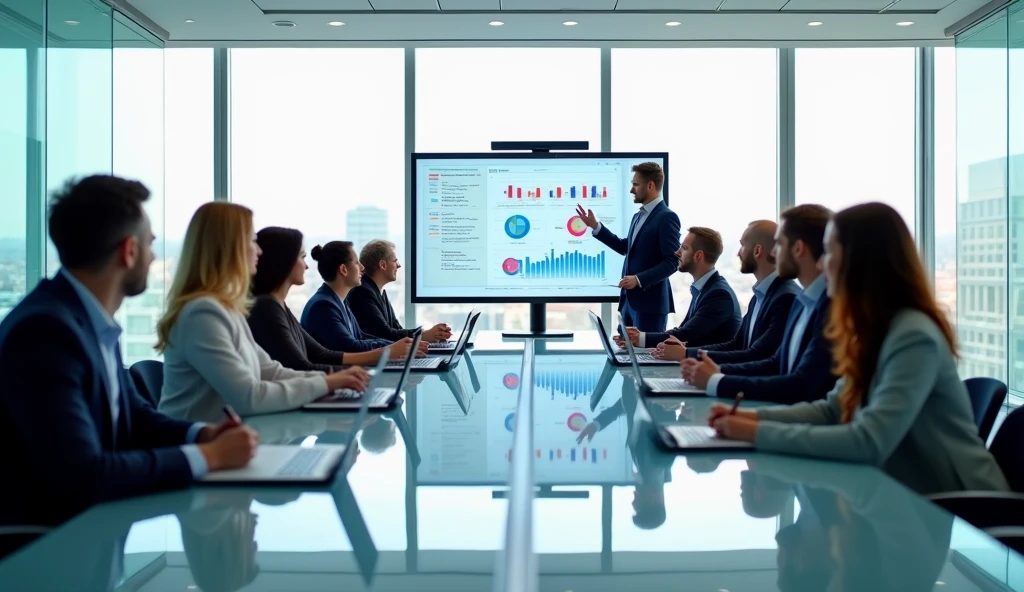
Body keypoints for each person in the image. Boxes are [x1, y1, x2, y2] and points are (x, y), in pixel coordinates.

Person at [0, 176, 258, 549]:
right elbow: (85, 475)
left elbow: (133, 416)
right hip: (46, 548)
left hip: (92, 534)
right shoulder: (45, 332)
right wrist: (208, 456)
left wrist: (200, 434)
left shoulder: (84, 318)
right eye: (151, 243)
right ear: (128, 252)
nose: (155, 257)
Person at [708, 202, 1010, 495]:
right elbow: (832, 409)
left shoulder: (913, 335)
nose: (822, 263)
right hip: (905, 498)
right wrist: (753, 418)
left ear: (858, 260)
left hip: (966, 514)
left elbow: (868, 441)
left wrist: (755, 432)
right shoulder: (873, 329)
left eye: (830, 252)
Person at [157, 203, 370, 424]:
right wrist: (327, 383)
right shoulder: (202, 315)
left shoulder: (227, 309)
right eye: (251, 241)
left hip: (225, 444)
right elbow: (249, 397)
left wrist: (333, 379)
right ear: (228, 248)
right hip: (194, 450)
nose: (258, 250)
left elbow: (270, 371)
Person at [682, 204, 837, 404]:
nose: (774, 253)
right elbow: (776, 362)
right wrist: (717, 372)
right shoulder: (801, 301)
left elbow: (800, 384)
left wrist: (717, 380)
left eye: (779, 244)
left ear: (798, 249)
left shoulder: (801, 301)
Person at [248, 227, 393, 370]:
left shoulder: (280, 307)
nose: (306, 266)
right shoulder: (320, 306)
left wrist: (392, 349)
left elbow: (321, 354)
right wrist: (388, 351)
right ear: (284, 261)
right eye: (302, 257)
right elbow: (302, 367)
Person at [653, 220, 799, 363]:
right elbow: (737, 344)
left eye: (742, 246)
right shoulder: (759, 296)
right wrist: (686, 352)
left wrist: (687, 354)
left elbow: (758, 355)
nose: (738, 253)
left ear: (757, 251)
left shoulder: (785, 298)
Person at [575, 162, 680, 332]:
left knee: (646, 356)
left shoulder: (667, 217)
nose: (632, 190)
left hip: (649, 307)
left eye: (635, 184)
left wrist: (638, 280)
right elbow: (626, 247)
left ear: (651, 185)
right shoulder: (638, 216)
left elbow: (673, 262)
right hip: (628, 303)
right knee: (625, 354)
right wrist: (596, 226)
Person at [301, 240, 427, 359]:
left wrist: (399, 346)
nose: (362, 267)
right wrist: (392, 349)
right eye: (357, 263)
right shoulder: (323, 306)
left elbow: (361, 337)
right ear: (344, 270)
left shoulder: (339, 301)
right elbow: (351, 347)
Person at [618, 226, 741, 349]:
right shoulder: (705, 288)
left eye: (684, 248)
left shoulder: (719, 295)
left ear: (698, 255)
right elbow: (684, 331)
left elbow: (685, 334)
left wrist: (640, 338)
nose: (677, 253)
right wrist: (639, 337)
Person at [347, 239, 451, 343]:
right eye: (395, 261)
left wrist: (428, 335)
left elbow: (396, 329)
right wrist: (422, 335)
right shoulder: (362, 293)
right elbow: (384, 335)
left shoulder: (379, 292)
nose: (399, 265)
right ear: (383, 265)